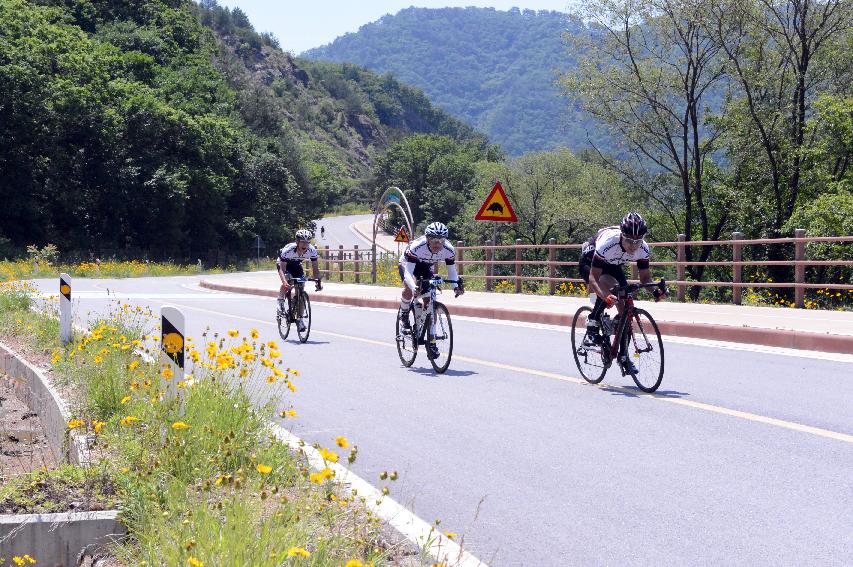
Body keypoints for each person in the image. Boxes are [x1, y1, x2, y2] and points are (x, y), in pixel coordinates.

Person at [578, 212, 666, 371]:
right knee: (607, 291)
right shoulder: (609, 243)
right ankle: (592, 324)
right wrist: (605, 295)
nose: (633, 246)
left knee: (626, 307)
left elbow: (645, 278)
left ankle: (623, 356)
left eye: (638, 241)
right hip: (590, 262)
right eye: (629, 241)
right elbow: (593, 277)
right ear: (621, 236)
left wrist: (655, 291)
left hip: (613, 264)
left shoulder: (643, 249)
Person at [398, 222, 464, 358]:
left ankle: (431, 341)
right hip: (408, 264)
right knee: (410, 288)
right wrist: (414, 286)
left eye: (441, 240)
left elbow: (452, 271)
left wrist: (456, 287)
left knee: (430, 304)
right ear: (427, 239)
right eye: (434, 240)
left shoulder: (449, 250)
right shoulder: (417, 247)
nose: (438, 244)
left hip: (426, 266)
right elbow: (409, 273)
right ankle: (404, 314)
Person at [276, 229, 322, 333]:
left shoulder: (312, 250)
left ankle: (300, 319)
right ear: (297, 242)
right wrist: (284, 282)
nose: (305, 244)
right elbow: (282, 270)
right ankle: (280, 300)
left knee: (301, 287)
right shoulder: (288, 250)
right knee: (287, 279)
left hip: (296, 265)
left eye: (307, 242)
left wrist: (318, 282)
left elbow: (315, 269)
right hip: (284, 264)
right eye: (303, 242)